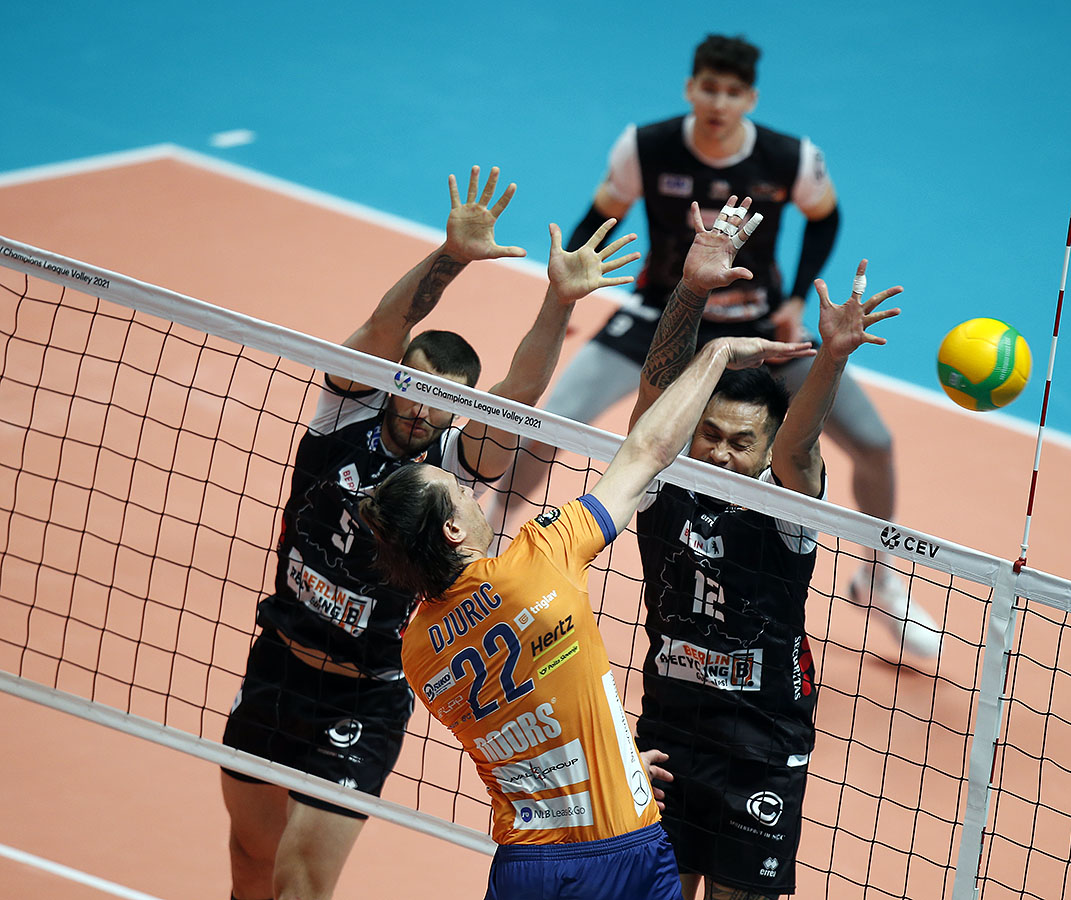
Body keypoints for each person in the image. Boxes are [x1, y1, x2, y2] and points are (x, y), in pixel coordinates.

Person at [358, 202, 813, 900]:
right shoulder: (538, 557)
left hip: (526, 863)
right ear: (451, 531)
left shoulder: (417, 652)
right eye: (456, 492)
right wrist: (716, 351)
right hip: (623, 851)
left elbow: (541, 716)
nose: (470, 491)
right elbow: (647, 446)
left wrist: (615, 766)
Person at [219, 166, 640, 900]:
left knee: (299, 884)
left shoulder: (455, 466)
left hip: (364, 696)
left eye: (442, 401)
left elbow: (519, 392)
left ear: (460, 407)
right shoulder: (345, 413)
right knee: (250, 860)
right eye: (412, 389)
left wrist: (558, 299)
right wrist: (450, 256)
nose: (421, 410)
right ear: (394, 380)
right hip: (276, 663)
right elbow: (384, 329)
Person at [497, 33, 939, 661]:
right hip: (663, 316)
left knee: (874, 443)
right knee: (548, 422)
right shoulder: (645, 147)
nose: (718, 103)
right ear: (690, 88)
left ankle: (880, 578)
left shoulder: (791, 158)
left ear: (750, 99)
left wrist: (794, 300)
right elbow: (601, 214)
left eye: (733, 93)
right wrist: (569, 290)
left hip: (761, 325)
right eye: (709, 88)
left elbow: (826, 217)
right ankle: (494, 538)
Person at [626, 197, 903, 899]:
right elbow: (655, 398)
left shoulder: (786, 507)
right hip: (668, 732)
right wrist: (690, 290)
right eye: (710, 434)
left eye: (741, 442)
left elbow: (800, 445)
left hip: (760, 747)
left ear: (765, 450)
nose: (720, 453)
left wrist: (831, 358)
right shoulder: (660, 484)